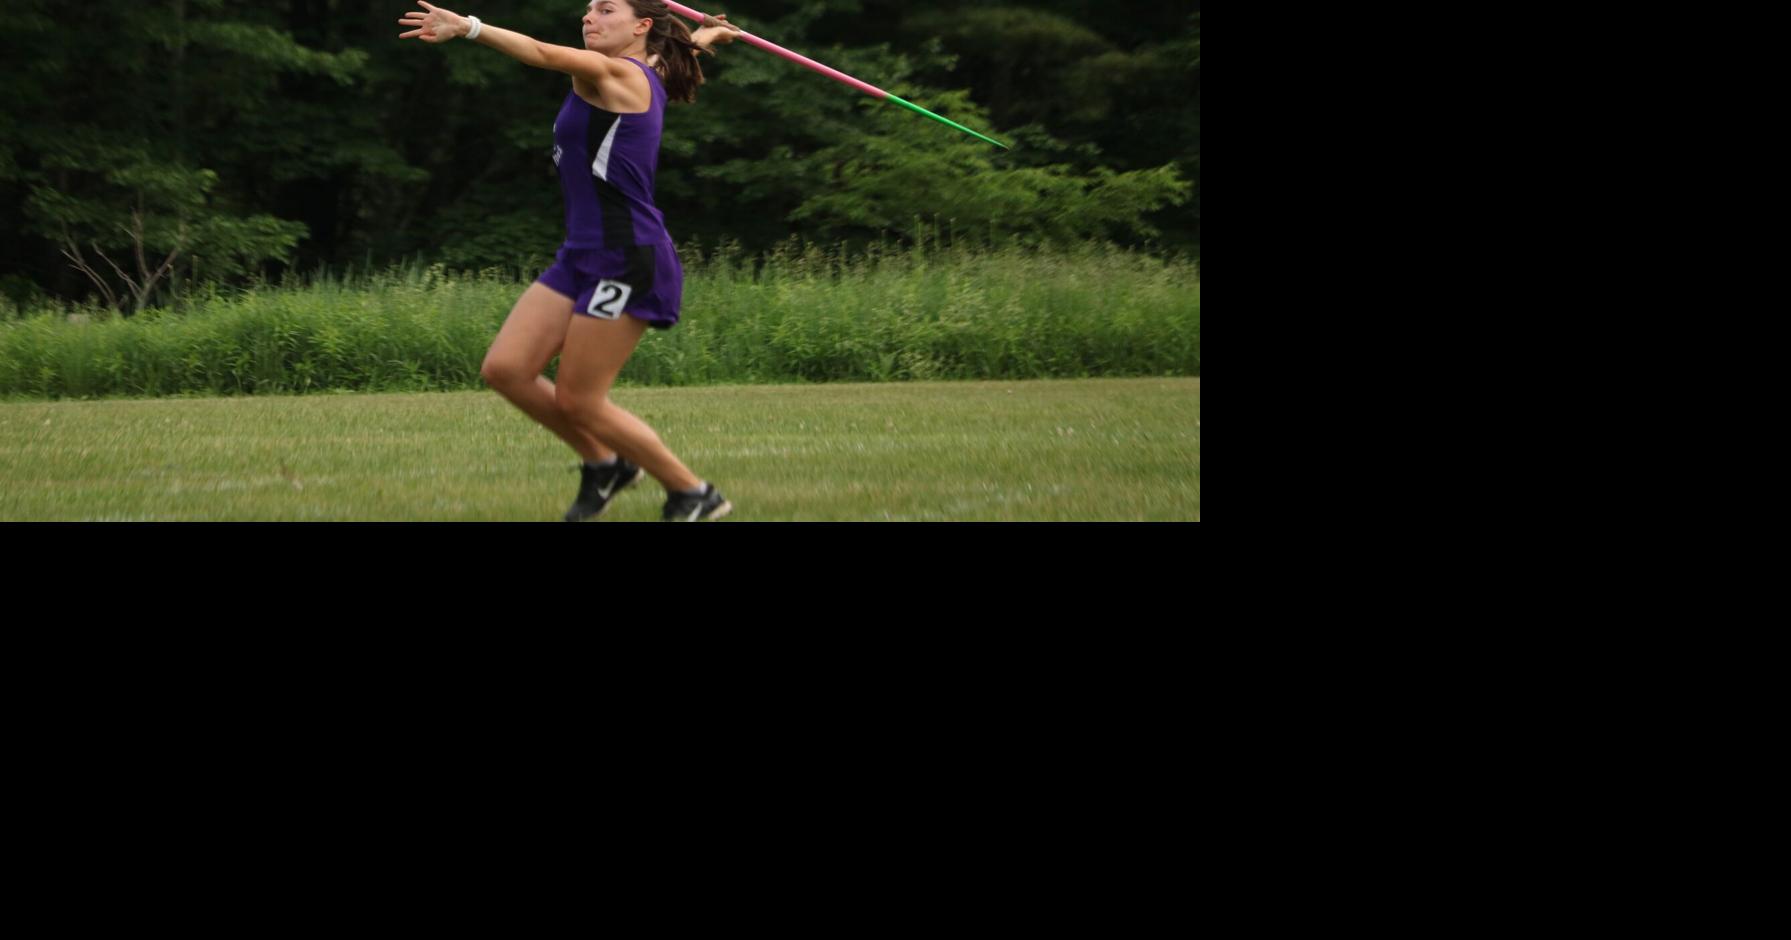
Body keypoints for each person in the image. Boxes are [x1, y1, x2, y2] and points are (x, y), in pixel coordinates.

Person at [399, 0, 741, 521]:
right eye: (587, 10)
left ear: (640, 25)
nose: (589, 18)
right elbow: (672, 57)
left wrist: (469, 27)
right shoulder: (647, 69)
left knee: (580, 400)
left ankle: (693, 492)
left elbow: (538, 52)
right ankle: (606, 465)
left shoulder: (612, 72)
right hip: (582, 253)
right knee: (507, 369)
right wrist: (706, 36)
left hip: (627, 256)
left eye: (606, 10)